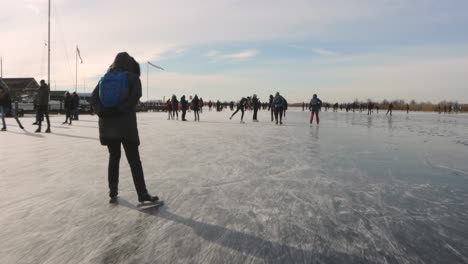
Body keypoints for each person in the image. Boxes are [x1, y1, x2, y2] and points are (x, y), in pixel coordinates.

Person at [90, 52, 159, 204]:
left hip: (108, 126)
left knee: (114, 158)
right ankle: (142, 194)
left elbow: (93, 98)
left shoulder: (104, 79)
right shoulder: (132, 77)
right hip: (126, 126)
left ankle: (113, 191)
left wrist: (103, 112)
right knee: (134, 161)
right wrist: (122, 109)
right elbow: (136, 95)